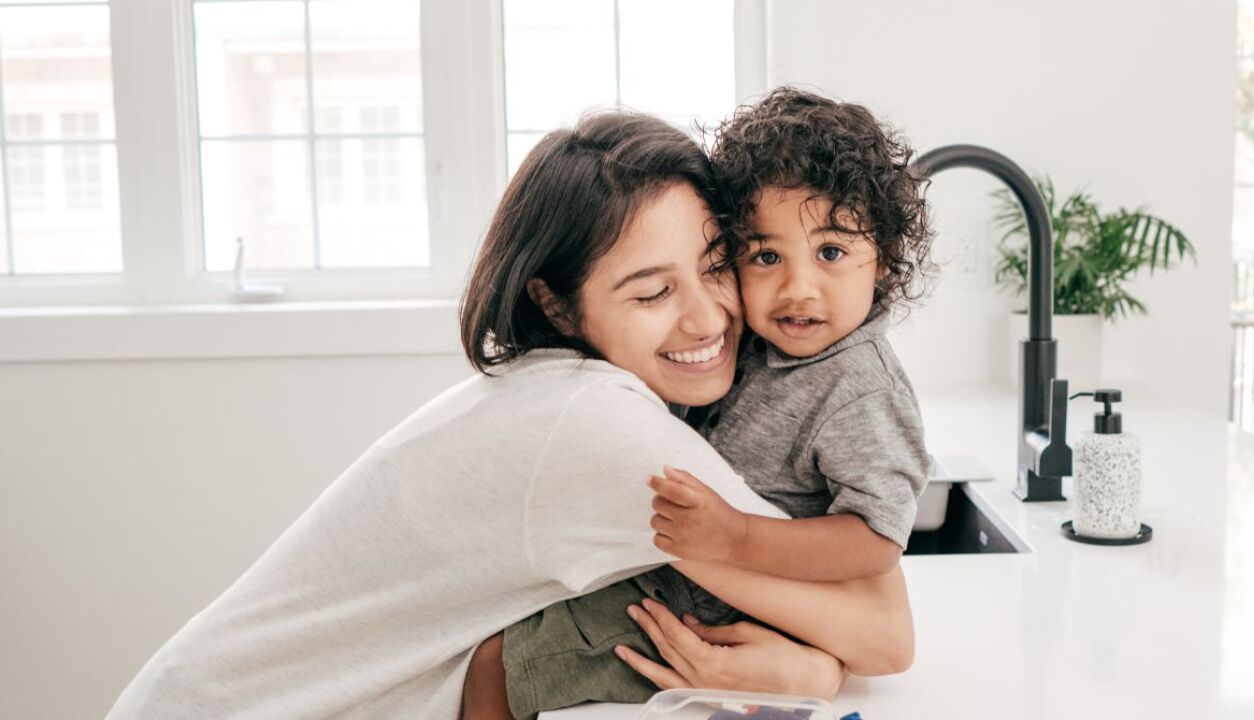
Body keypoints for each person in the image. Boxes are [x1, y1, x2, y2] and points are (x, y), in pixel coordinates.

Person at [106, 111, 912, 720]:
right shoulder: (601, 432)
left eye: (714, 267)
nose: (708, 319)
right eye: (653, 291)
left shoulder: (561, 392)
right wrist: (816, 673)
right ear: (556, 305)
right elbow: (884, 635)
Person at [482, 87, 935, 719]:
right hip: (712, 586)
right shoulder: (762, 343)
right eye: (764, 256)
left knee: (503, 666)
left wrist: (739, 537)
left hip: (717, 599)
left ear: (882, 259)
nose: (797, 288)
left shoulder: (862, 386)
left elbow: (877, 543)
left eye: (831, 252)